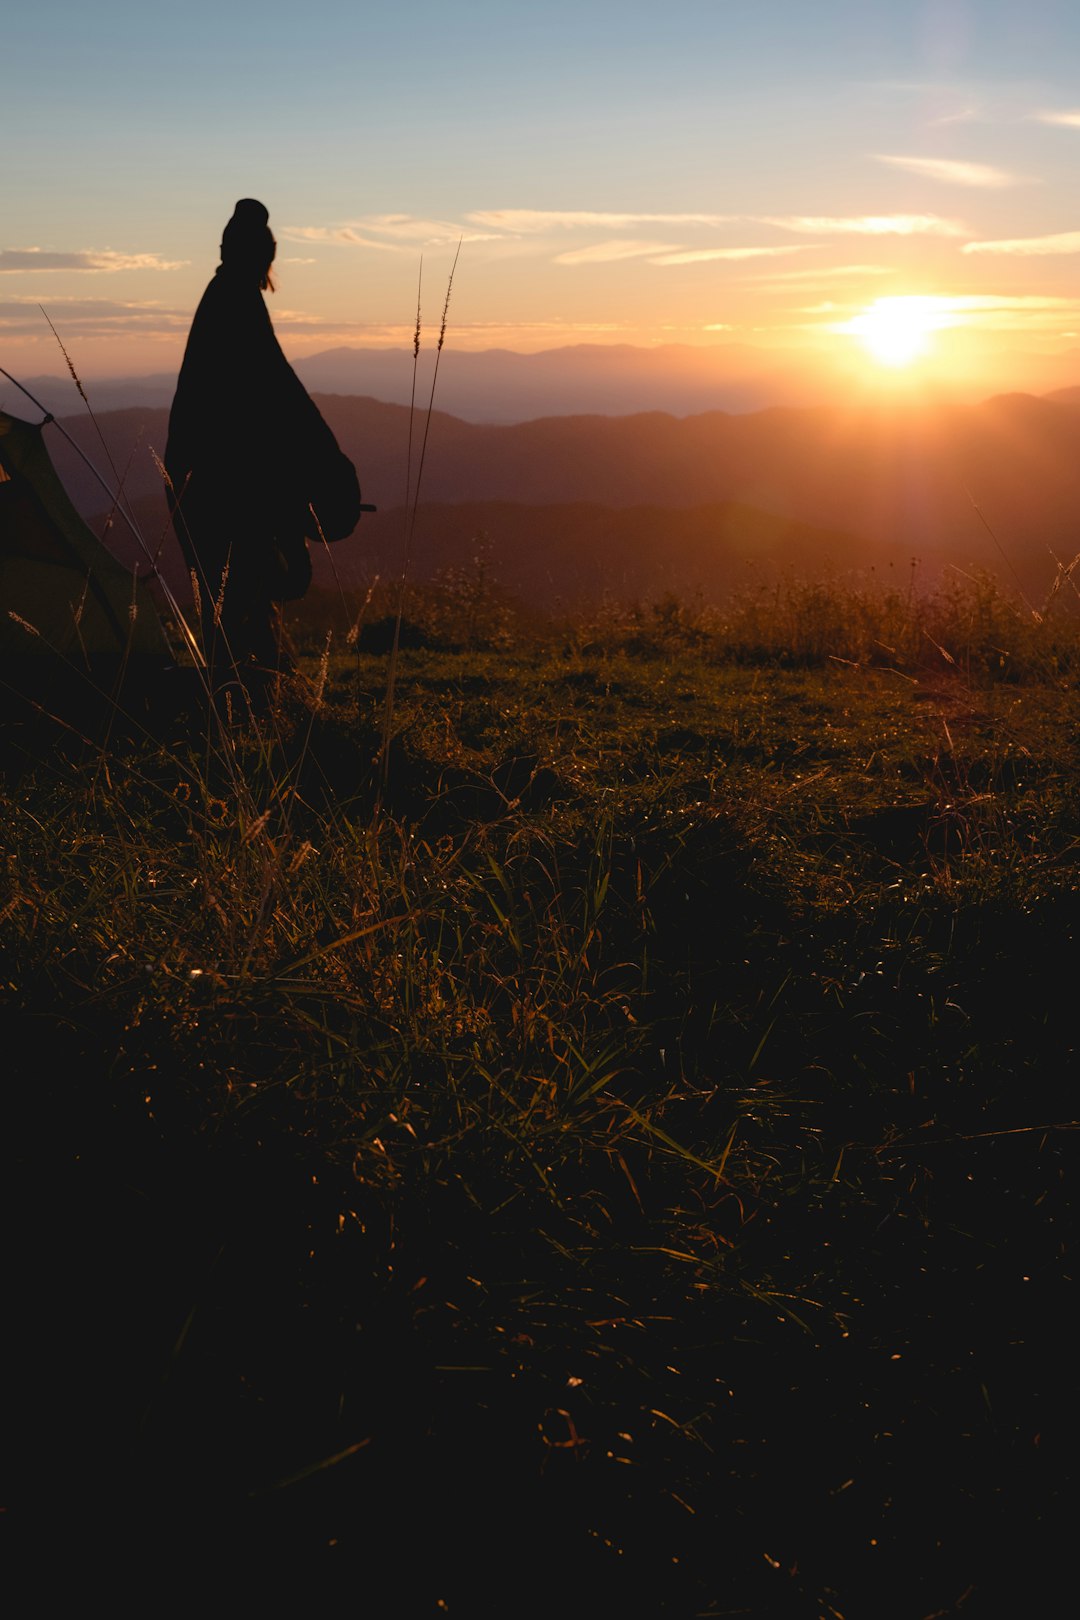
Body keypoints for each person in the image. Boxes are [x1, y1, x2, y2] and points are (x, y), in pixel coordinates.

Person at [165, 199, 361, 688]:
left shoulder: (224, 295)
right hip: (223, 483)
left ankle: (249, 702)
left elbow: (269, 394)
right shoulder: (237, 300)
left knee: (231, 596)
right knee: (241, 593)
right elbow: (277, 391)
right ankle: (251, 705)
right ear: (263, 255)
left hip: (205, 476)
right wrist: (325, 460)